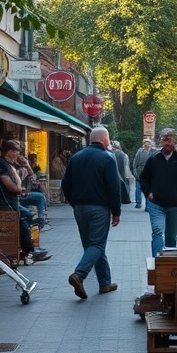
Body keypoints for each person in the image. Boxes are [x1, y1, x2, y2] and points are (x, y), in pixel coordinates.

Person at [61, 126, 121, 299]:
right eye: (108, 139)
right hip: (99, 208)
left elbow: (65, 184)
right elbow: (113, 187)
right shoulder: (107, 158)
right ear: (103, 140)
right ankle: (79, 274)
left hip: (79, 208)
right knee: (97, 245)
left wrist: (74, 203)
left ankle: (104, 283)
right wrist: (116, 211)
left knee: (91, 245)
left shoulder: (76, 157)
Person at [0, 139, 49, 265]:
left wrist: (26, 167)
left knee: (23, 221)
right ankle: (30, 251)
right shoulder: (0, 165)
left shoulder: (7, 164)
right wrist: (19, 188)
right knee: (23, 221)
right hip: (2, 204)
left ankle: (29, 250)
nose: (18, 156)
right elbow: (13, 186)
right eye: (16, 153)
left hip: (9, 202)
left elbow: (22, 180)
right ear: (10, 152)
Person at [138, 128, 177, 256]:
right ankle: (157, 262)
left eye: (170, 139)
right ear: (161, 141)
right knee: (157, 231)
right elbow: (143, 178)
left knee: (171, 236)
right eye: (165, 139)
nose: (167, 142)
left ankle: (169, 263)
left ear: (175, 141)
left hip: (176, 205)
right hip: (156, 204)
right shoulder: (153, 160)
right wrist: (148, 193)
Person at [15, 150, 48, 228]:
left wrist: (28, 167)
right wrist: (27, 166)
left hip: (23, 194)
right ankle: (41, 219)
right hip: (19, 195)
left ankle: (39, 219)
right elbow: (34, 182)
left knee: (40, 197)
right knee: (40, 197)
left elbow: (34, 181)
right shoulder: (19, 170)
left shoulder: (24, 169)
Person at [132, 139, 154, 209]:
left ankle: (146, 206)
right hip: (141, 173)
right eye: (146, 143)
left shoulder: (151, 152)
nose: (147, 145)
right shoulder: (140, 152)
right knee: (139, 189)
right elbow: (135, 163)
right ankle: (139, 203)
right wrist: (135, 173)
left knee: (145, 189)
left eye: (148, 143)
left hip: (148, 174)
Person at [111, 140, 131, 205]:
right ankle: (125, 199)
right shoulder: (122, 154)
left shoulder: (110, 153)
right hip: (122, 173)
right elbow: (126, 165)